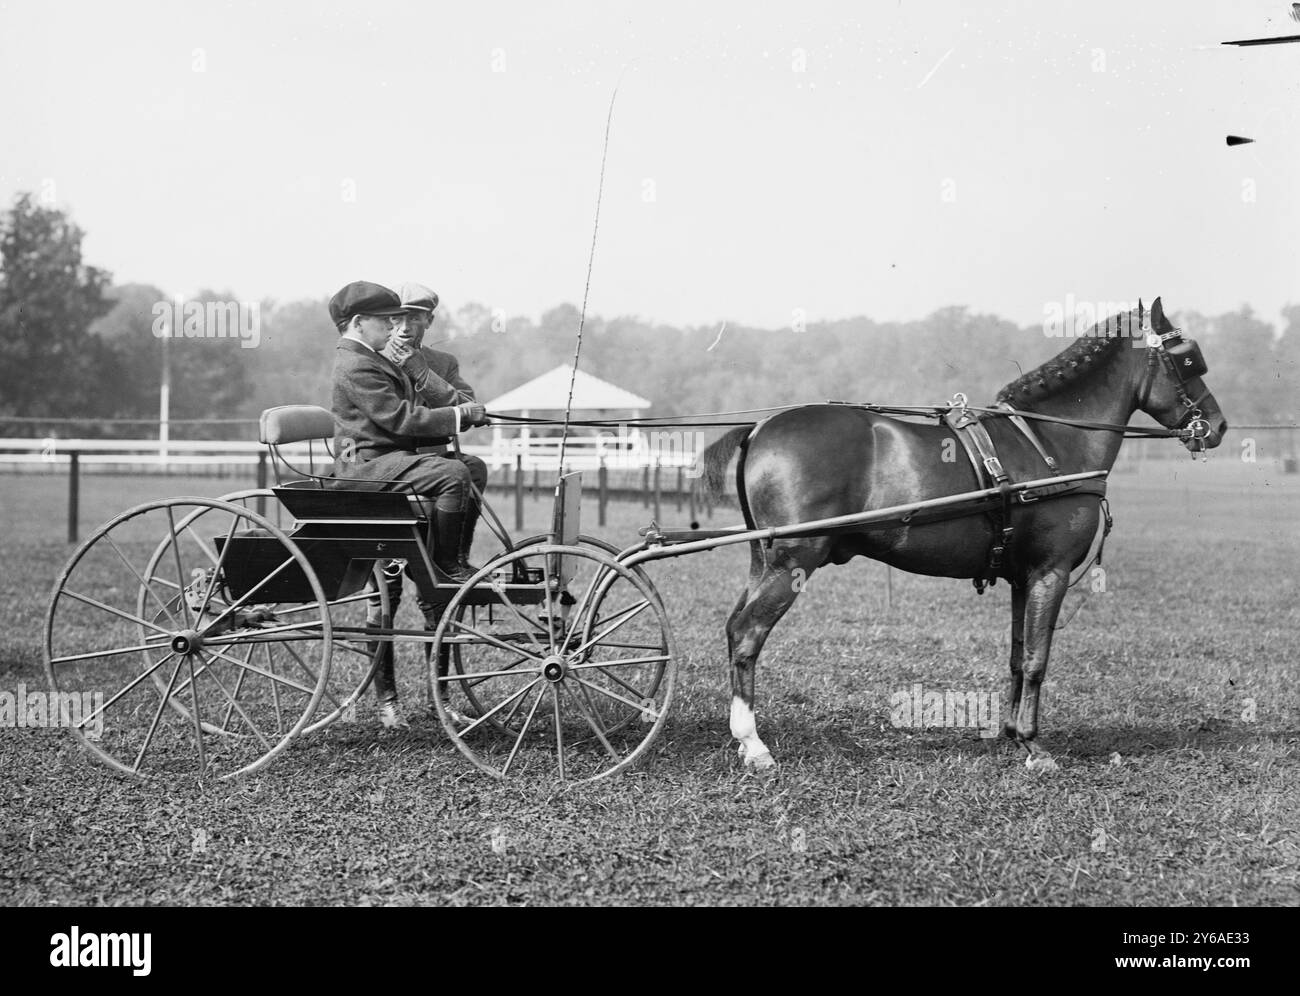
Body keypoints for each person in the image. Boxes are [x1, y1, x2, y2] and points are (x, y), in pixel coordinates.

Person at [329, 280, 490, 726]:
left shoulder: (436, 363)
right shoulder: (364, 362)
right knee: (385, 598)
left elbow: (463, 403)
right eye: (393, 319)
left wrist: (423, 372)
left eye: (413, 318)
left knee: (469, 470)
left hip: (419, 480)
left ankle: (449, 562)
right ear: (373, 322)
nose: (401, 327)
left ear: (427, 322)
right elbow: (402, 421)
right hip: (384, 479)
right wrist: (458, 415)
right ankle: (387, 703)